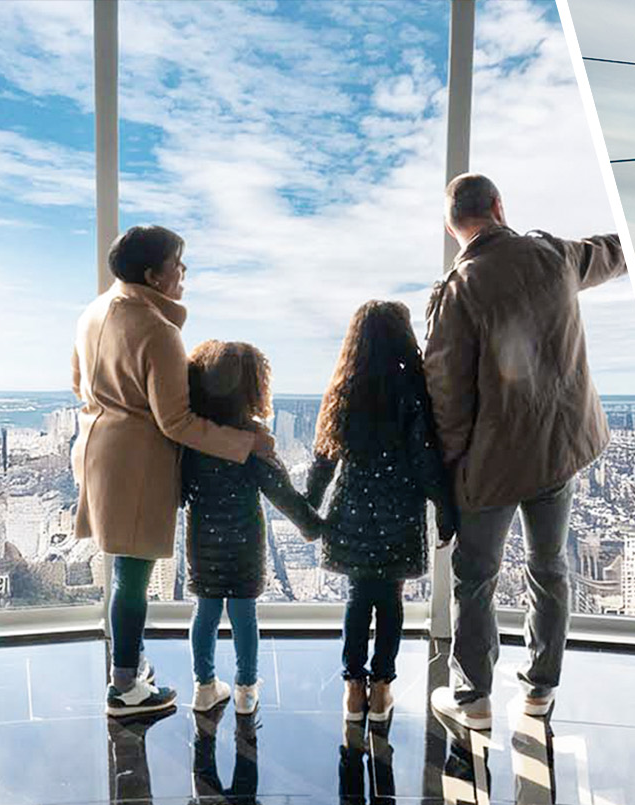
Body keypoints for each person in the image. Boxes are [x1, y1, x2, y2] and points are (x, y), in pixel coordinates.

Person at [422, 172, 626, 731]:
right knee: (549, 566)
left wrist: (453, 466)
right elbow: (613, 253)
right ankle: (540, 689)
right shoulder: (553, 255)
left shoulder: (459, 289)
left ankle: (475, 698)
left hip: (493, 461)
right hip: (558, 450)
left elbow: (446, 393)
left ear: (452, 226)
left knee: (476, 576)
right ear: (498, 206)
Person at [72, 225, 276, 718]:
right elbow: (177, 421)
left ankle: (131, 664)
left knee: (124, 567)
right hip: (136, 464)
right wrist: (246, 442)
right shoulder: (159, 331)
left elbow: (77, 381)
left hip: (96, 449)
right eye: (177, 265)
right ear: (153, 275)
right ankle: (124, 687)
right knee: (134, 577)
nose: (183, 273)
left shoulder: (94, 311)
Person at [307, 300, 454, 723]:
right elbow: (426, 459)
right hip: (399, 511)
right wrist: (444, 509)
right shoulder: (411, 391)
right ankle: (382, 687)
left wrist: (309, 509)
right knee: (390, 601)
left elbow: (323, 458)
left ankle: (353, 688)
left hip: (351, 508)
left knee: (358, 599)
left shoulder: (344, 388)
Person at [181, 340, 324, 715]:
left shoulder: (192, 440)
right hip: (244, 543)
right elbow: (282, 493)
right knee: (245, 615)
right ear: (253, 388)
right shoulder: (251, 441)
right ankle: (246, 690)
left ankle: (203, 686)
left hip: (202, 541)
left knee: (206, 612)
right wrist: (312, 526)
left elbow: (177, 487)